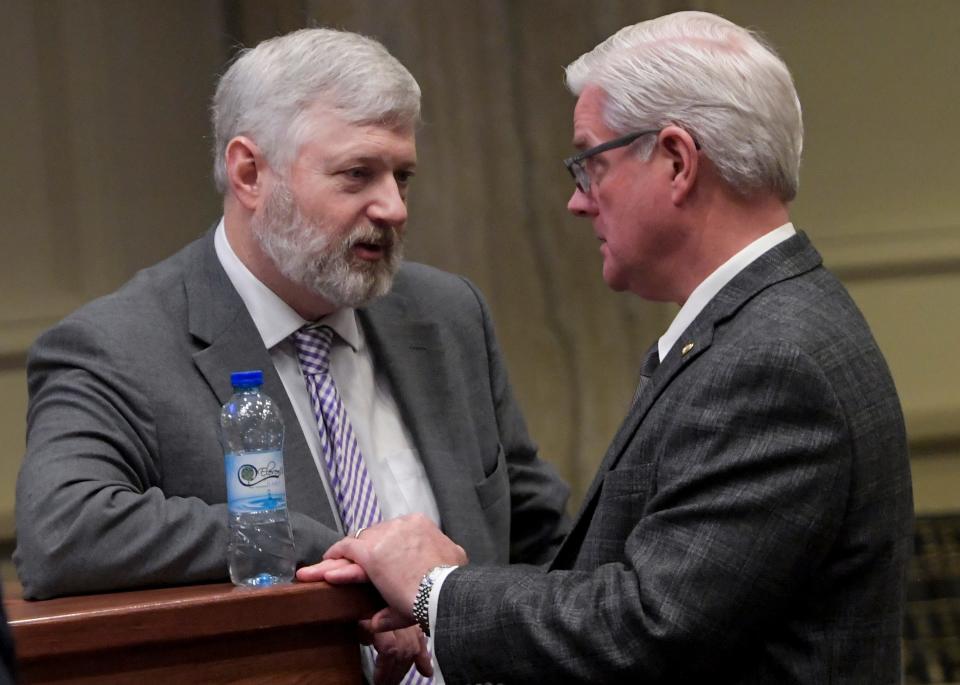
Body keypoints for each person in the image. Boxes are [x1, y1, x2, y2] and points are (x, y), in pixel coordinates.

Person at [299, 11, 915, 684]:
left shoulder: (772, 361)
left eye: (591, 162)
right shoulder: (758, 326)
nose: (576, 201)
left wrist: (433, 588)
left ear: (677, 161)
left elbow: (648, 628)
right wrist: (452, 618)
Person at [13, 27, 570, 684]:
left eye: (403, 175)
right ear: (250, 172)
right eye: (357, 174)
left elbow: (542, 536)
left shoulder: (446, 315)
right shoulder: (119, 345)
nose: (392, 206)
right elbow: (62, 532)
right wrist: (344, 549)